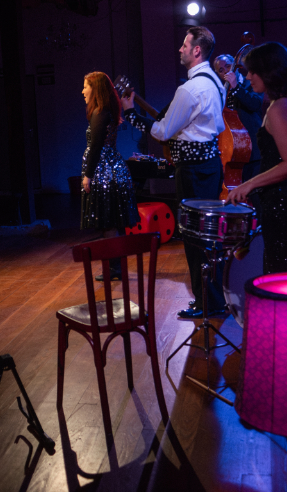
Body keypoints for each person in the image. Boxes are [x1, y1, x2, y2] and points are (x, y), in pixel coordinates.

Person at [122, 26, 226, 319]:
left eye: (184, 45)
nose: (180, 49)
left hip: (192, 170)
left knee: (194, 238)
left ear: (197, 50)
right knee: (207, 236)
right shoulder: (215, 82)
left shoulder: (189, 89)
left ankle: (208, 303)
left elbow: (163, 131)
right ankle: (213, 298)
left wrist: (130, 113)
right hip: (210, 165)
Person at [224, 42, 287, 274]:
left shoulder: (280, 109)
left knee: (281, 277)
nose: (248, 77)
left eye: (253, 71)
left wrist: (249, 184)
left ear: (270, 72)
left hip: (284, 203)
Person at [80, 72, 140, 281]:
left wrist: (87, 175)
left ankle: (114, 269)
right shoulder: (107, 110)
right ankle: (116, 268)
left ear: (95, 89)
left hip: (104, 171)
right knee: (115, 221)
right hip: (113, 168)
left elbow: (96, 146)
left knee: (108, 222)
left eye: (86, 87)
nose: (83, 91)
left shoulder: (100, 112)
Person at [213, 53, 265, 187]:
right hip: (231, 151)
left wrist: (236, 86)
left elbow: (255, 104)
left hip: (252, 150)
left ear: (236, 66)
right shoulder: (220, 92)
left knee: (255, 192)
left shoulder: (251, 83)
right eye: (221, 70)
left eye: (228, 66)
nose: (226, 72)